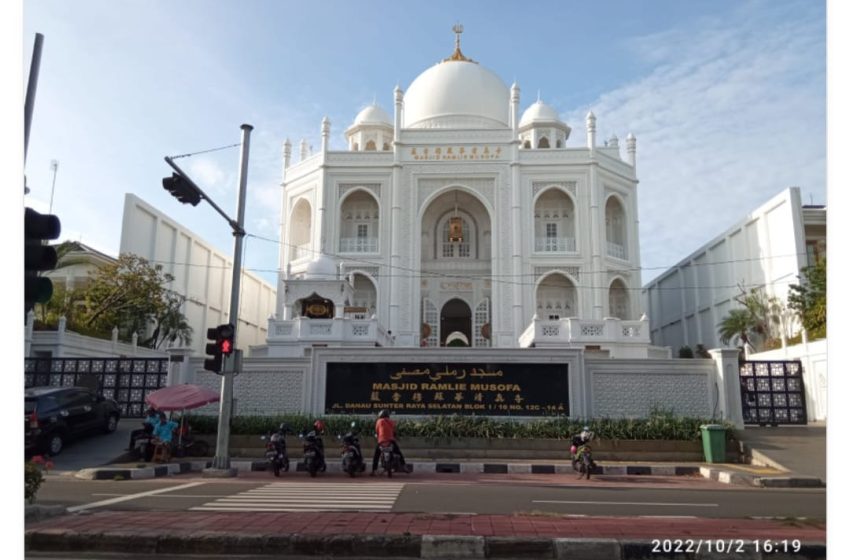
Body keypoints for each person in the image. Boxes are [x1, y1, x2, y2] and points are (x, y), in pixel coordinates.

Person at [371, 410, 410, 475]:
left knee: (376, 456)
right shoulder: (391, 422)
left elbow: (377, 431)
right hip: (390, 441)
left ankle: (373, 470)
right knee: (398, 452)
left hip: (381, 441)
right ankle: (404, 466)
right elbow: (394, 431)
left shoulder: (378, 421)